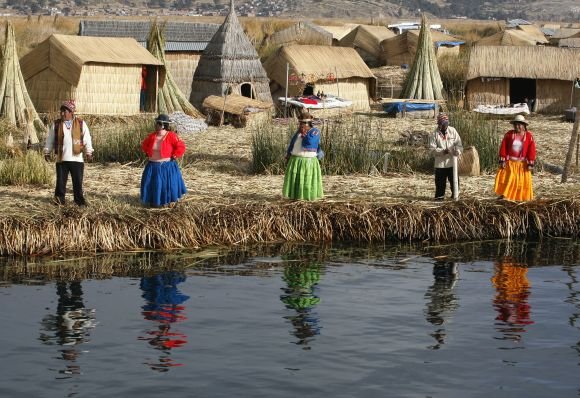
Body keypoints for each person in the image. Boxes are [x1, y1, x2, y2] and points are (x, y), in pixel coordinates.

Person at [43, 100, 93, 206]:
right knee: (60, 183)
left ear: (71, 112)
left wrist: (89, 152)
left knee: (77, 183)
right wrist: (47, 152)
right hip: (62, 159)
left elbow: (87, 139)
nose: (62, 113)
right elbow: (50, 139)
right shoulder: (56, 124)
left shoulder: (80, 123)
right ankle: (59, 201)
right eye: (61, 111)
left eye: (65, 111)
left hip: (77, 159)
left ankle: (79, 202)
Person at [140, 114, 187, 207]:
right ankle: (154, 201)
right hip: (153, 165)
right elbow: (144, 145)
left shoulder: (171, 136)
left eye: (157, 123)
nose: (155, 125)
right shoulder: (152, 136)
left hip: (166, 166)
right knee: (153, 184)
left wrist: (175, 155)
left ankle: (168, 201)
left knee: (166, 185)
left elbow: (181, 146)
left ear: (162, 125)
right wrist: (147, 152)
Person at [283, 111, 324, 201]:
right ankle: (295, 197)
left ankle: (306, 198)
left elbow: (310, 143)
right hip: (295, 160)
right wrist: (288, 155)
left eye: (302, 123)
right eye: (300, 123)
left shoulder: (315, 132)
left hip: (308, 161)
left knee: (306, 182)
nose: (300, 125)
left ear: (307, 123)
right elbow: (292, 145)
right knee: (295, 181)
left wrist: (304, 134)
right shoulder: (298, 133)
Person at [494, 114, 536, 201]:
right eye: (516, 124)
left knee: (521, 182)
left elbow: (531, 150)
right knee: (509, 179)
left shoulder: (529, 136)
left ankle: (520, 198)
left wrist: (530, 163)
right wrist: (503, 160)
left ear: (524, 126)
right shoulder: (509, 135)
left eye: (520, 124)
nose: (517, 126)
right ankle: (505, 196)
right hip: (510, 163)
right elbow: (503, 147)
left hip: (522, 164)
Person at [428, 113, 463, 200]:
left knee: (455, 184)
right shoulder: (434, 134)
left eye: (446, 124)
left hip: (452, 163)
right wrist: (444, 151)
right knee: (440, 185)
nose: (445, 126)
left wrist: (457, 151)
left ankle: (455, 198)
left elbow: (459, 145)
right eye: (443, 124)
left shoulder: (453, 131)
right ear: (439, 124)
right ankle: (439, 199)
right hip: (440, 164)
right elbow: (432, 149)